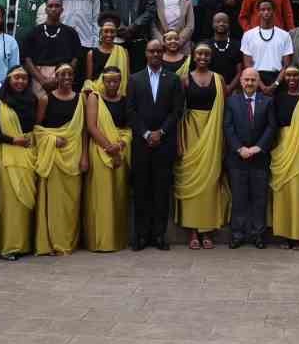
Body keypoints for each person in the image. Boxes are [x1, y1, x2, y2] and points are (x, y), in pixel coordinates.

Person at [128, 41, 182, 251]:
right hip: (142, 144)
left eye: (159, 51)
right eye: (152, 51)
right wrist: (146, 133)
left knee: (161, 190)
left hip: (164, 143)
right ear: (146, 53)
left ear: (163, 53)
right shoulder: (135, 79)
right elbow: (130, 111)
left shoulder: (174, 79)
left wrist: (161, 132)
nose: (156, 54)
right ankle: (141, 236)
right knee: (141, 189)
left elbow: (177, 110)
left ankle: (159, 235)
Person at [175, 45, 228, 249]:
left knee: (210, 181)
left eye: (206, 54)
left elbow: (225, 112)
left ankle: (207, 230)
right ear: (193, 56)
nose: (203, 57)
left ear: (210, 56)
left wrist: (223, 138)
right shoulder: (185, 79)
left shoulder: (219, 79)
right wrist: (180, 141)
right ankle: (192, 231)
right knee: (191, 179)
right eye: (199, 53)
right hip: (191, 132)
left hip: (213, 132)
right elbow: (179, 112)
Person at [0, 67, 38, 261]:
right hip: (6, 156)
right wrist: (12, 140)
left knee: (26, 202)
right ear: (8, 80)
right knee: (11, 203)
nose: (20, 82)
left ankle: (25, 245)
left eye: (24, 78)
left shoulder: (32, 101)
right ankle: (9, 247)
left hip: (28, 154)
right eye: (16, 78)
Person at [225, 67, 277, 249]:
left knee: (259, 198)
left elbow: (271, 127)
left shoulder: (268, 102)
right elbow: (228, 127)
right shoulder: (231, 101)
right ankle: (237, 235)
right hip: (237, 159)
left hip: (259, 159)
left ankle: (258, 235)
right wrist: (239, 149)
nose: (249, 83)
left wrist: (258, 148)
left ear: (258, 82)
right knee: (239, 198)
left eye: (253, 80)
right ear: (241, 81)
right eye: (246, 80)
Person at [83, 66, 132, 252]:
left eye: (116, 80)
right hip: (99, 150)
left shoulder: (125, 100)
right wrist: (108, 147)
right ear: (102, 81)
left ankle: (116, 240)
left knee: (117, 197)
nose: (112, 84)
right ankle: (100, 241)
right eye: (108, 80)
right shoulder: (95, 98)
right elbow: (91, 126)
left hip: (120, 151)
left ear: (120, 81)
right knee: (101, 197)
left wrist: (119, 145)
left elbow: (127, 128)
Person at [267, 67, 299, 248]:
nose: (292, 78)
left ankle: (298, 236)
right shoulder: (278, 98)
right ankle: (285, 235)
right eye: (288, 75)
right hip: (281, 146)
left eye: (295, 74)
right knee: (283, 192)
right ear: (284, 77)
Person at [22, 0, 83, 94]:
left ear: (62, 9)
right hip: (39, 78)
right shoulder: (34, 32)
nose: (53, 9)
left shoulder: (70, 32)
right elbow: (27, 58)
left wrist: (62, 76)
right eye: (50, 6)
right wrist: (42, 80)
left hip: (64, 76)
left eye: (57, 6)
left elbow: (76, 57)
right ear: (45, 10)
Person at [242, 0, 295, 82]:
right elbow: (248, 64)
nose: (266, 12)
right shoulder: (248, 35)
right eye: (262, 10)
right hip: (255, 79)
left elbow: (286, 65)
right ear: (258, 12)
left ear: (273, 11)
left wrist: (276, 84)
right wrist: (260, 84)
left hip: (278, 78)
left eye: (268, 9)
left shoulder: (284, 35)